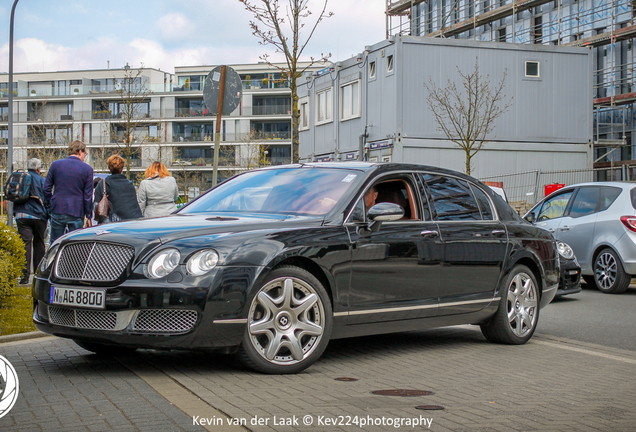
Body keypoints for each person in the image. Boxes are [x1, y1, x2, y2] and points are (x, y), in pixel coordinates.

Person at [44, 140, 94, 243]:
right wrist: (88, 215)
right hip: (77, 210)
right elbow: (88, 196)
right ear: (80, 152)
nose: (85, 156)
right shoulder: (87, 169)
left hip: (57, 208)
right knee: (74, 243)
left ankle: (56, 259)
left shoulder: (55, 165)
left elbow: (46, 188)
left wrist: (51, 203)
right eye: (85, 153)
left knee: (56, 242)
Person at [14, 158, 49, 285]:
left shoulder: (21, 178)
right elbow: (47, 198)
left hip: (21, 215)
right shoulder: (42, 180)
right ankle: (38, 275)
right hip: (39, 216)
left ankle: (24, 276)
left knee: (25, 244)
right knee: (39, 243)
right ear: (38, 169)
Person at [94, 155, 142, 223]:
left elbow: (96, 206)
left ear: (109, 168)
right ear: (122, 168)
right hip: (128, 224)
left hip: (108, 225)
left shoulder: (103, 184)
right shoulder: (130, 185)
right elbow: (134, 209)